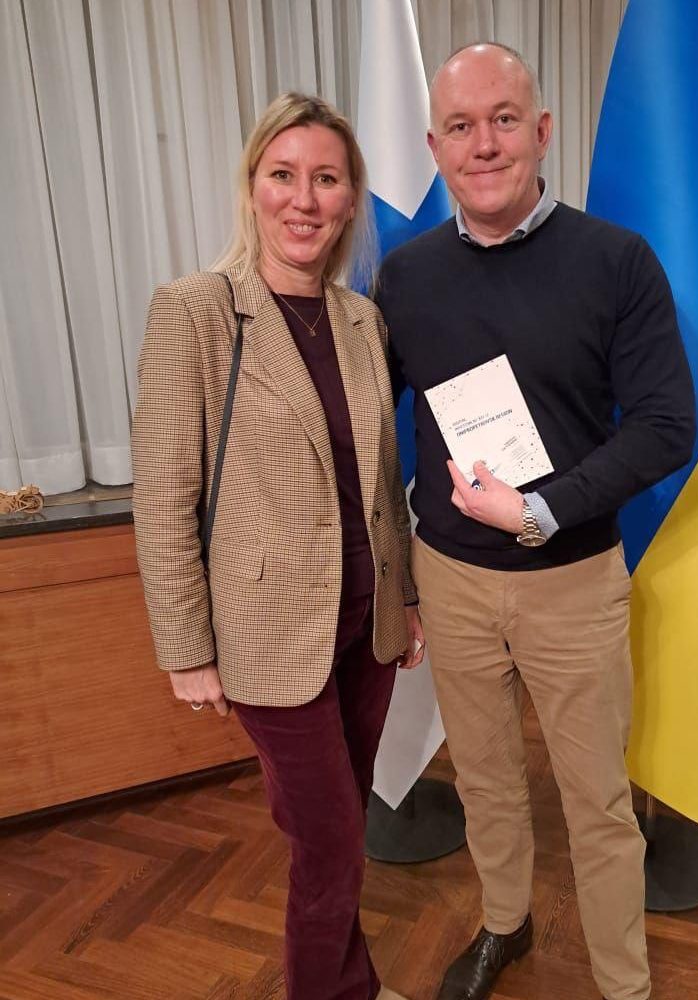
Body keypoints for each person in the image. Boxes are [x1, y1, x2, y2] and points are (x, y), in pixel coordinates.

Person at [376, 44, 696, 1000]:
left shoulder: (616, 262)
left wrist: (542, 509)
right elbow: (368, 424)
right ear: (435, 148)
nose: (484, 144)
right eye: (461, 127)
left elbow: (665, 424)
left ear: (542, 131)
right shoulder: (404, 278)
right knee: (484, 780)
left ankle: (622, 984)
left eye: (504, 119)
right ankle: (504, 926)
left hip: (572, 583)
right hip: (451, 581)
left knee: (597, 803)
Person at [132, 91, 423, 1000]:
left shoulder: (362, 321)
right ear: (252, 186)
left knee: (336, 831)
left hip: (366, 629)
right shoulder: (196, 312)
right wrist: (185, 648)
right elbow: (163, 498)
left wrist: (407, 597)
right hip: (266, 635)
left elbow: (382, 482)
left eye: (326, 179)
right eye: (283, 175)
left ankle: (352, 986)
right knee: (330, 839)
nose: (303, 199)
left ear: (350, 198)